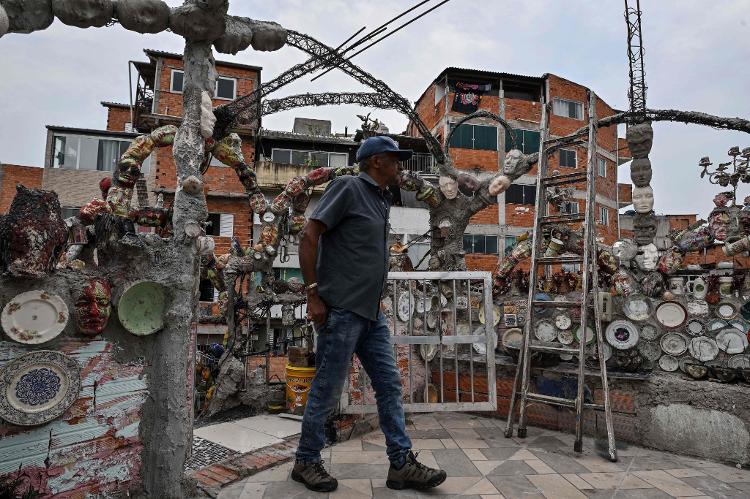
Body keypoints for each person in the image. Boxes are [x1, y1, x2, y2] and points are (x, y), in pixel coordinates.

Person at [292, 136, 447, 493]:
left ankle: (401, 464)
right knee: (328, 391)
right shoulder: (347, 187)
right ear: (377, 161)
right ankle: (306, 460)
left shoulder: (381, 200)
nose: (400, 167)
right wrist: (313, 295)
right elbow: (308, 235)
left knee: (390, 385)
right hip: (341, 310)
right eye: (395, 160)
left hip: (370, 314)